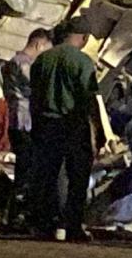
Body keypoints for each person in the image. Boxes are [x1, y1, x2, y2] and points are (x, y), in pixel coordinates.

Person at [30, 17, 99, 242]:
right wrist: (94, 133)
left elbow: (34, 95)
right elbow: (90, 101)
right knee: (77, 177)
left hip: (46, 123)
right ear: (84, 37)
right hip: (73, 124)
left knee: (48, 175)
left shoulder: (42, 59)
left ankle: (47, 224)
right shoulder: (83, 62)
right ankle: (73, 225)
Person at [2, 28, 52, 230]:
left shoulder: (11, 62)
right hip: (25, 121)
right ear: (39, 44)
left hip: (18, 120)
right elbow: (36, 86)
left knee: (26, 169)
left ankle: (18, 215)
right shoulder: (23, 63)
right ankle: (17, 216)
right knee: (27, 170)